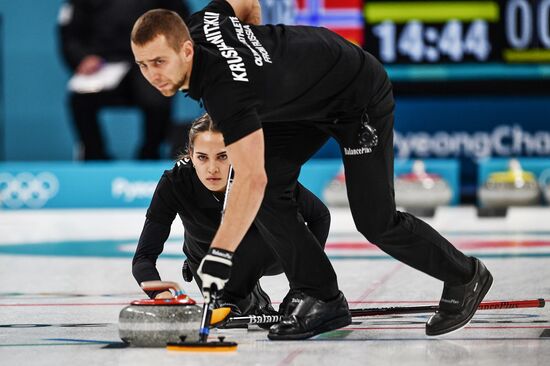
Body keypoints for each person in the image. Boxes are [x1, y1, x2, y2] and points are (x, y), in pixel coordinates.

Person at [130, 0, 493, 340]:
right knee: (272, 190)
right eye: (143, 65)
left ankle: (465, 276)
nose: (152, 75)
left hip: (356, 96)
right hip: (305, 99)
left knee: (375, 220)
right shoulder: (203, 21)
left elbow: (251, 177)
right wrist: (262, 58)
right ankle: (322, 297)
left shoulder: (227, 93)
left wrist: (220, 254)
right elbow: (246, 3)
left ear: (186, 50)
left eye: (159, 62)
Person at [132, 113, 331, 322]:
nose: (212, 169)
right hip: (205, 260)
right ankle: (242, 296)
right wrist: (161, 295)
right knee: (226, 311)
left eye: (222, 156)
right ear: (190, 154)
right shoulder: (176, 183)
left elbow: (320, 216)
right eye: (202, 157)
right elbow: (143, 258)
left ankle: (245, 292)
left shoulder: (258, 175)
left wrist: (304, 287)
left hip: (267, 255)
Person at [57, 0, 190, 160]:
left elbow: (181, 24)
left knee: (158, 96)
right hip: (103, 64)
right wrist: (82, 58)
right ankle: (95, 155)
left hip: (148, 61)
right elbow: (70, 34)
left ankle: (149, 153)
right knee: (80, 98)